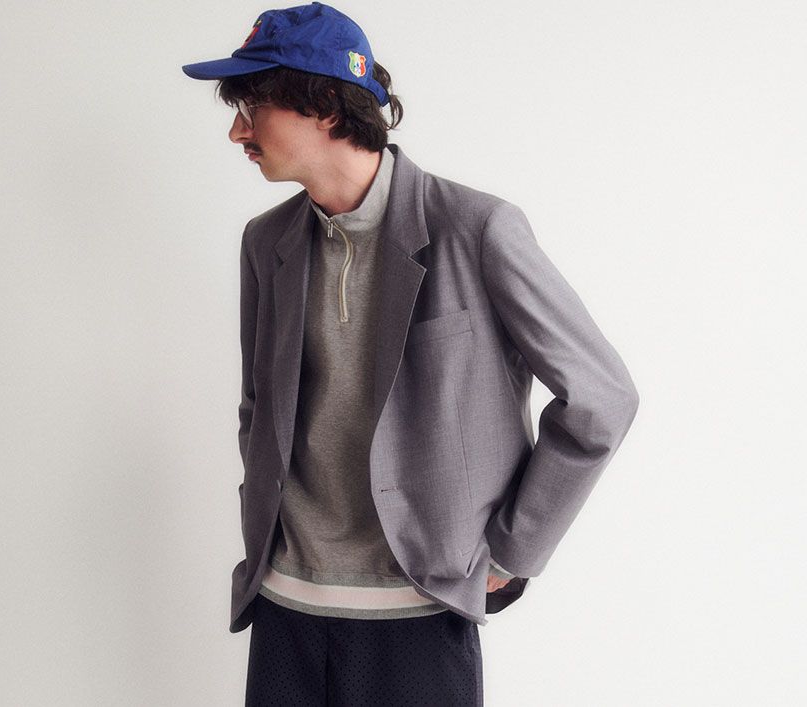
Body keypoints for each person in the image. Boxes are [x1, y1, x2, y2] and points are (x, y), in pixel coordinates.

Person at [182, 3, 639, 705]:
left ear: (324, 105)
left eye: (252, 107)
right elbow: (258, 405)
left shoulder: (475, 229)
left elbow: (602, 396)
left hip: (419, 610)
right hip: (284, 606)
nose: (237, 130)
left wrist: (515, 548)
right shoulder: (266, 242)